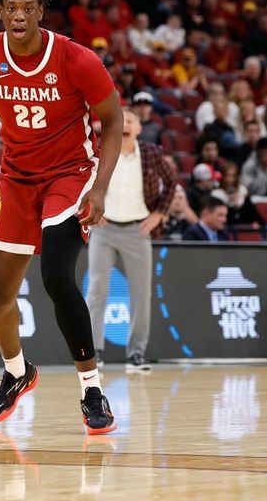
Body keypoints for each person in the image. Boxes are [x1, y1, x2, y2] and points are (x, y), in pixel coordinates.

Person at [0, 0, 122, 434]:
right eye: (10, 7)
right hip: (15, 180)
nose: (18, 15)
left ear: (41, 11)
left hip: (70, 174)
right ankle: (17, 372)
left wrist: (99, 188)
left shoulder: (76, 58)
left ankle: (91, 388)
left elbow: (113, 120)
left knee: (57, 276)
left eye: (27, 7)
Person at [85, 108, 176, 373]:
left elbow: (172, 184)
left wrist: (159, 214)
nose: (125, 124)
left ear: (138, 128)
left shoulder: (151, 153)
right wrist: (90, 208)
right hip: (104, 228)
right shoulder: (99, 150)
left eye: (131, 121)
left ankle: (136, 354)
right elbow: (82, 179)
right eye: (121, 119)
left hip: (138, 230)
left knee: (141, 294)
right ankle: (94, 353)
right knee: (97, 290)